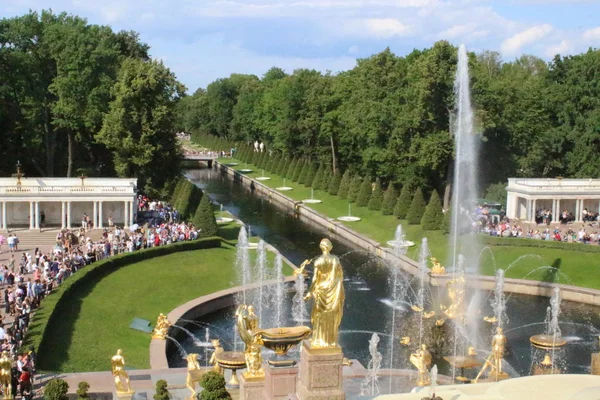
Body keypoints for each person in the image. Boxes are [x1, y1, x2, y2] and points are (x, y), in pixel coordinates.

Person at [302, 238, 345, 349]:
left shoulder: (318, 261)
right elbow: (339, 274)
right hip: (333, 289)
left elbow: (315, 279)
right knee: (331, 315)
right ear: (330, 247)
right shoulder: (335, 259)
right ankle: (330, 341)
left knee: (320, 315)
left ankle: (319, 339)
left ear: (321, 247)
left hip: (321, 290)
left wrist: (310, 292)